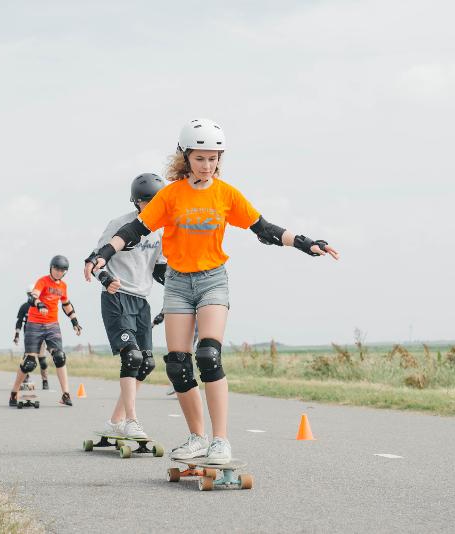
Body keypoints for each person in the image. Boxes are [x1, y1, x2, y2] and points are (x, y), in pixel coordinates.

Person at [87, 118, 339, 464]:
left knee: (208, 355)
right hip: (176, 282)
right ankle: (197, 438)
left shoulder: (226, 194)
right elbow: (133, 230)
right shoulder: (170, 195)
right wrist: (102, 255)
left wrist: (305, 243)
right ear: (185, 157)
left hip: (211, 280)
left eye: (214, 158)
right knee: (177, 364)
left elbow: (263, 228)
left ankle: (220, 441)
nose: (207, 166)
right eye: (200, 158)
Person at [83, 173, 166, 438]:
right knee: (132, 357)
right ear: (136, 201)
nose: (151, 208)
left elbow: (160, 269)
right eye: (146, 202)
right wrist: (105, 279)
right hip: (116, 298)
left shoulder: (162, 230)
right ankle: (131, 420)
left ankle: (114, 422)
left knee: (147, 363)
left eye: (156, 202)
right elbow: (96, 259)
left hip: (142, 302)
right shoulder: (120, 224)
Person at [9, 256, 82, 407]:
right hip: (34, 324)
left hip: (52, 324)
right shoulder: (42, 281)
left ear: (65, 272)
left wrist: (74, 321)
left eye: (62, 270)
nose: (58, 272)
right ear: (51, 268)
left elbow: (66, 304)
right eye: (56, 268)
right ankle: (14, 392)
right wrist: (39, 303)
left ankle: (66, 394)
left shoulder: (63, 286)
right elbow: (33, 296)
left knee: (59, 357)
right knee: (29, 363)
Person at [13, 285, 50, 389]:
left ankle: (45, 381)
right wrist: (16, 335)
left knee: (42, 360)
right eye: (30, 294)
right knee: (28, 359)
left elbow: (47, 321)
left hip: (41, 335)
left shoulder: (42, 306)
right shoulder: (24, 306)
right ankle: (25, 376)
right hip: (29, 336)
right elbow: (19, 322)